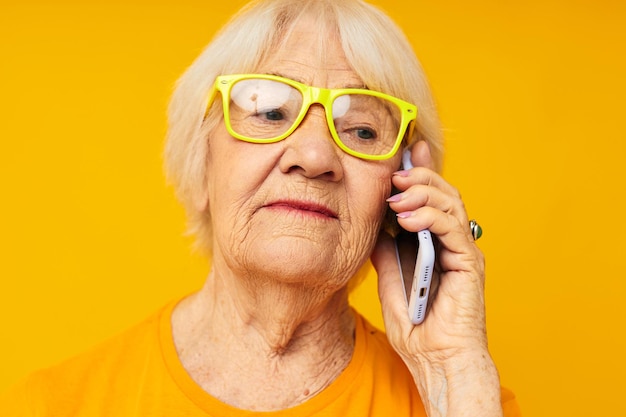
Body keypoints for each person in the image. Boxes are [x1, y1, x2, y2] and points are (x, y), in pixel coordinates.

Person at [0, 0, 521, 415]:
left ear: (401, 189)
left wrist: (450, 369)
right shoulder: (51, 406)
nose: (316, 156)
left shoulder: (459, 399)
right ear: (200, 164)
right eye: (270, 112)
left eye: (362, 129)